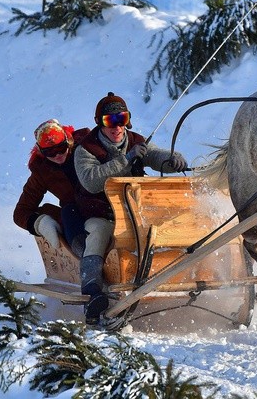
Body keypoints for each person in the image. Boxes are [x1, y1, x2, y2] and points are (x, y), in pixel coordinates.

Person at [73, 91, 188, 325]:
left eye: (121, 120)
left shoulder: (135, 140)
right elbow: (91, 180)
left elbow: (154, 154)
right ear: (99, 123)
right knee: (98, 233)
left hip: (134, 211)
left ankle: (176, 275)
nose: (116, 128)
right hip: (100, 213)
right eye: (109, 121)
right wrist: (125, 160)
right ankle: (92, 291)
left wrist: (172, 159)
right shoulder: (86, 150)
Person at [14, 119, 91, 257]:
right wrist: (40, 224)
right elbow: (21, 212)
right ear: (41, 152)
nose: (57, 155)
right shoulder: (42, 171)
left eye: (61, 148)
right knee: (68, 211)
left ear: (68, 141)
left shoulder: (88, 146)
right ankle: (83, 256)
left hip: (103, 204)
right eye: (50, 152)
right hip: (76, 217)